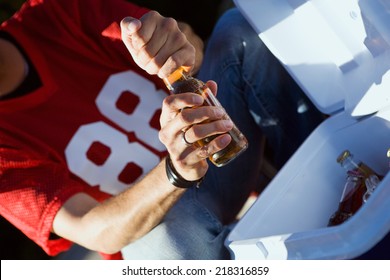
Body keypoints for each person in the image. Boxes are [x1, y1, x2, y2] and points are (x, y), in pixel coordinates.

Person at [0, 0, 324, 260]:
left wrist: (178, 44)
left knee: (237, 31)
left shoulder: (54, 13)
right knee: (156, 254)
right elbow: (90, 227)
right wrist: (176, 169)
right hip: (172, 212)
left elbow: (186, 43)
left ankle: (339, 167)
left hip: (226, 134)